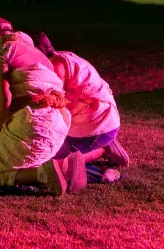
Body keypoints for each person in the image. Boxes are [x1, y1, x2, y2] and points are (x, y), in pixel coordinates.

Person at [0, 17, 87, 196]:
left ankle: (41, 174)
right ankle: (63, 165)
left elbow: (5, 99)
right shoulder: (38, 55)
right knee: (11, 161)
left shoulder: (0, 50)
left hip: (34, 124)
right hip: (59, 125)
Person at [27, 30, 129, 168]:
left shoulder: (56, 70)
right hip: (98, 120)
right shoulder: (59, 58)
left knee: (49, 162)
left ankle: (103, 149)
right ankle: (103, 144)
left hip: (97, 125)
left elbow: (52, 109)